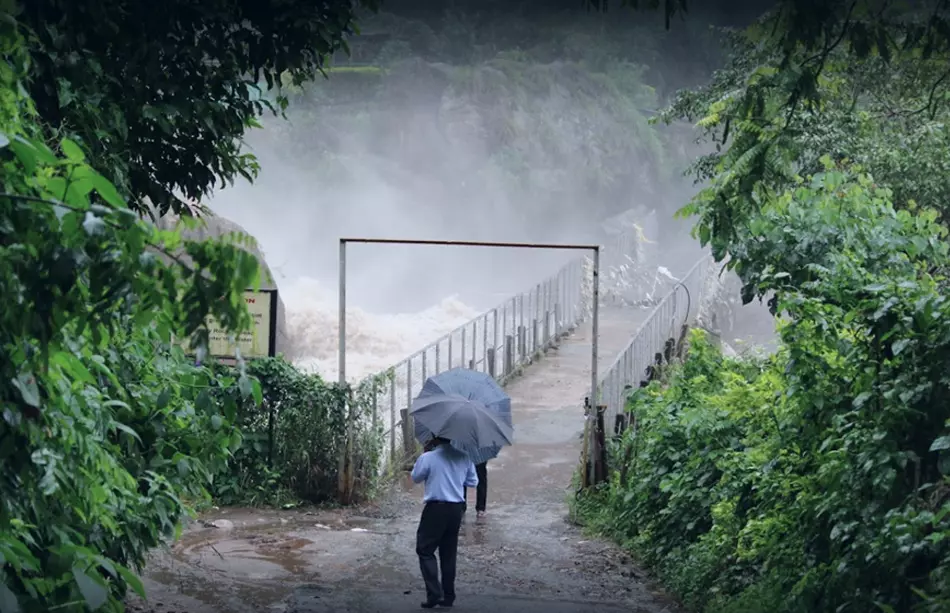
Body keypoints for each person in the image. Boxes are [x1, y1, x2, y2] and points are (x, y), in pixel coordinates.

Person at [411, 437, 478, 609]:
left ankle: (434, 594)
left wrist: (425, 454)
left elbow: (415, 477)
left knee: (425, 550)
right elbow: (473, 482)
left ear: (435, 437)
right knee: (448, 553)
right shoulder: (464, 456)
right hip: (456, 509)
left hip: (435, 509)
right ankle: (448, 596)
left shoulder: (429, 457)